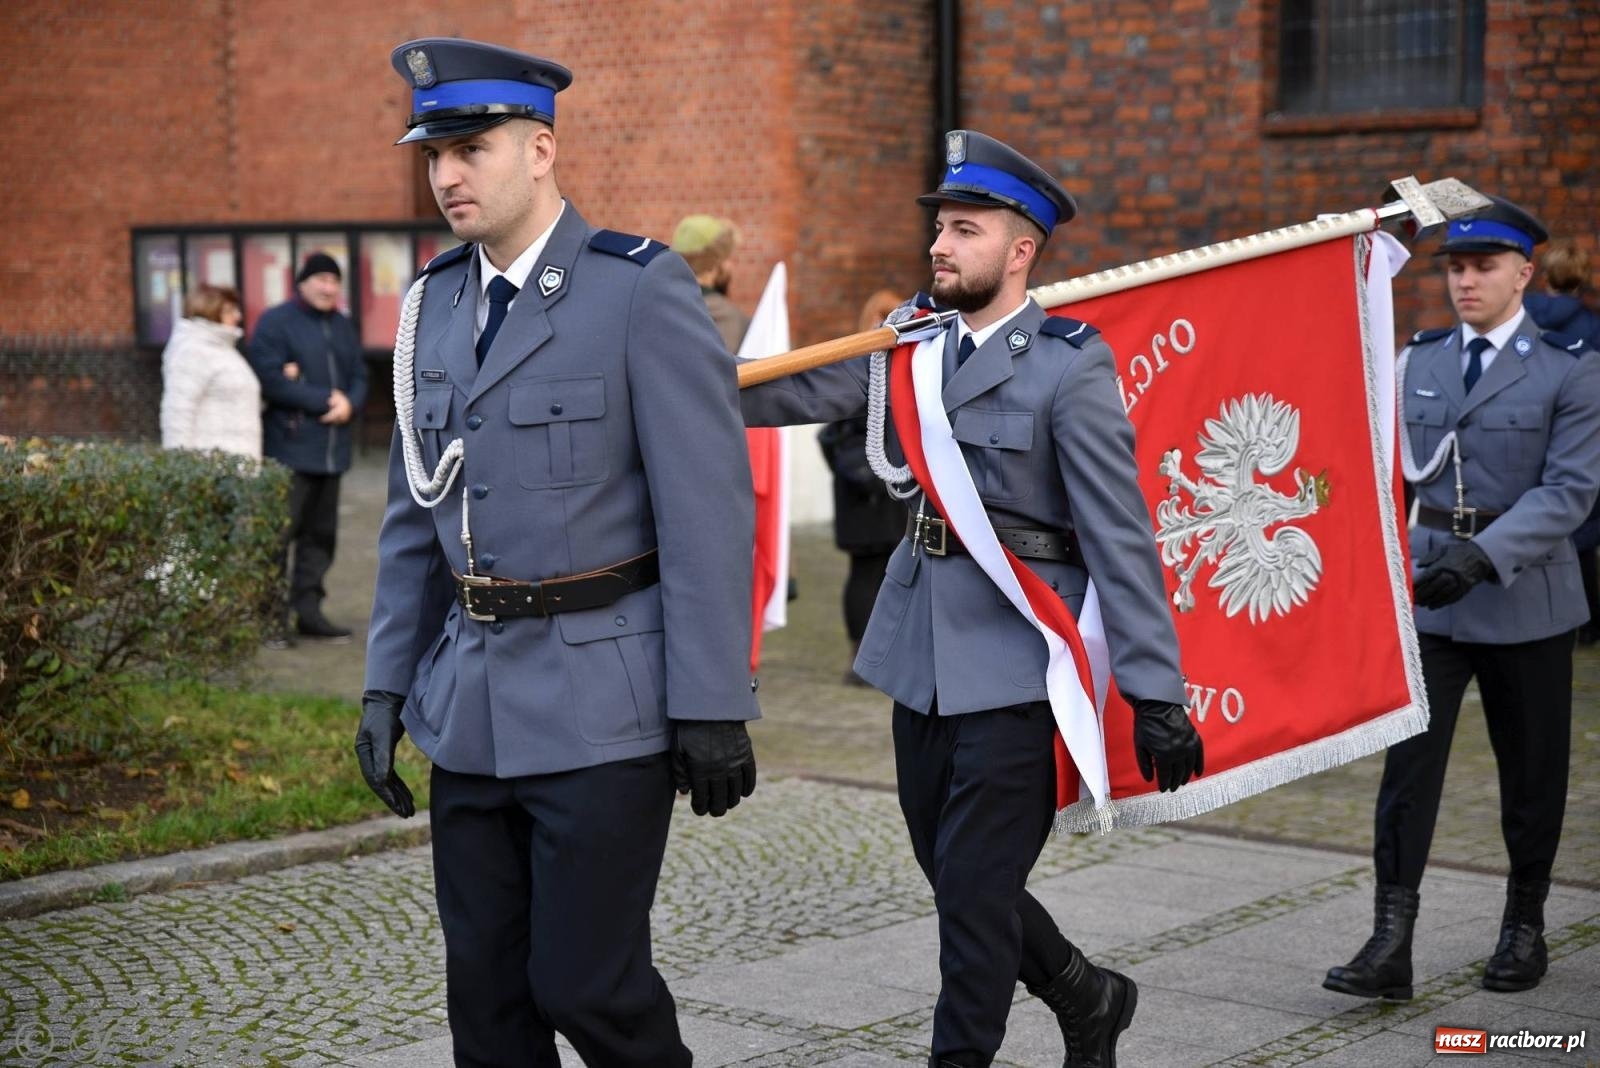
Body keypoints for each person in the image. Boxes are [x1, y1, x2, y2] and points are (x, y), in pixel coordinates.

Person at [739, 130, 1203, 1068]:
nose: (939, 247)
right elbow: (782, 393)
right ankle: (1087, 993)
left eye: (964, 230)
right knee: (956, 880)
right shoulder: (908, 347)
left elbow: (1121, 537)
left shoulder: (1070, 365)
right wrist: (657, 382)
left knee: (976, 904)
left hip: (1018, 660)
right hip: (919, 653)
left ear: (1020, 249)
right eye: (939, 230)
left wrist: (1158, 693)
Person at [356, 38, 758, 1068]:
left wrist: (712, 701)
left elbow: (707, 510)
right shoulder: (432, 306)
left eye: (470, 147)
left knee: (590, 987)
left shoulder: (636, 288)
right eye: (432, 152)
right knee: (486, 1005)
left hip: (604, 704)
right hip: (471, 705)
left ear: (539, 150)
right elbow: (416, 514)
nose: (445, 173)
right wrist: (383, 687)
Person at [1324, 197, 1600, 1002]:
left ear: (1524, 273)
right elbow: (1384, 465)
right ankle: (1391, 942)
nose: (1467, 280)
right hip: (1429, 596)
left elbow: (1572, 490)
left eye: (1484, 266)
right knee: (1407, 774)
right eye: (1456, 266)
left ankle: (1525, 929)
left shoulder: (1569, 369)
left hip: (1524, 595)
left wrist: (1483, 557)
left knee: (1532, 772)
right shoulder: (1420, 361)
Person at [248, 251, 367, 642]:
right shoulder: (276, 323)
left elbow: (359, 374)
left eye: (334, 281)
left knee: (320, 539)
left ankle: (309, 612)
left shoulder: (344, 326)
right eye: (321, 280)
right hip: (290, 451)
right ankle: (268, 619)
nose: (329, 287)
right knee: (279, 538)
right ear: (302, 283)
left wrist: (350, 402)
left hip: (332, 452)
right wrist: (323, 400)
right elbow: (269, 378)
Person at [817, 289, 909, 684]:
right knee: (868, 574)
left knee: (879, 574)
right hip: (870, 493)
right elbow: (833, 435)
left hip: (880, 492)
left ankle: (876, 654)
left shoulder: (882, 365)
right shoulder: (867, 366)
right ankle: (863, 657)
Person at [1522, 240, 1600, 640]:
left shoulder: (1519, 319)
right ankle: (1584, 626)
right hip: (1582, 436)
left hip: (1527, 431)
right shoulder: (1592, 327)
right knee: (1580, 529)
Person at [159, 284, 260, 460]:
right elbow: (178, 412)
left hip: (237, 466)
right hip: (211, 470)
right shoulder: (192, 350)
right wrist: (180, 468)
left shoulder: (225, 350)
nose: (238, 316)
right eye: (229, 310)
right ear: (209, 310)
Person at [670, 214, 748, 352]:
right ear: (714, 264)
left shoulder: (663, 304)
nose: (731, 266)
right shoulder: (728, 318)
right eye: (728, 258)